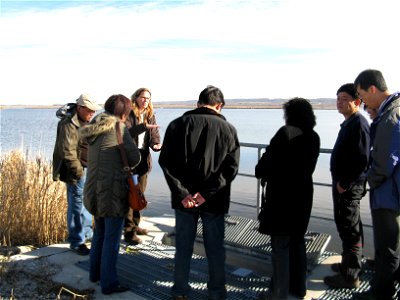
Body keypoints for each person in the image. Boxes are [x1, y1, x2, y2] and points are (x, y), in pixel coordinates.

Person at [159, 85, 240, 300]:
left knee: (183, 248)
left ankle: (179, 291)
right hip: (215, 200)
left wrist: (183, 193)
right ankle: (216, 292)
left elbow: (165, 162)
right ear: (219, 106)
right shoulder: (229, 130)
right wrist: (205, 193)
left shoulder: (177, 125)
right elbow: (230, 169)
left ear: (198, 104)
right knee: (215, 249)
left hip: (184, 202)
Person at [255, 98, 320, 300]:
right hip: (303, 195)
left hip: (282, 199)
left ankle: (278, 294)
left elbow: (263, 169)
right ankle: (298, 289)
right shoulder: (314, 137)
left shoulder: (285, 134)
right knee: (297, 243)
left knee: (280, 248)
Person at [80, 94, 141, 295]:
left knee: (99, 233)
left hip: (94, 190)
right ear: (123, 112)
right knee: (112, 239)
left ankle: (94, 274)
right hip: (113, 193)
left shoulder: (96, 125)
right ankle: (109, 284)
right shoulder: (118, 128)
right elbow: (134, 158)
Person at [352, 70, 400, 300]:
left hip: (388, 196)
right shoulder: (392, 111)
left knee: (387, 248)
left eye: (361, 94)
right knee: (389, 247)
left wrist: (365, 181)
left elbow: (383, 163)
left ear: (372, 89)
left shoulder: (391, 116)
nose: (362, 101)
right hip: (391, 193)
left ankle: (381, 295)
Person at [323, 84, 370, 289]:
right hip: (344, 185)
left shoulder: (358, 123)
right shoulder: (350, 122)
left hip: (348, 187)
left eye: (344, 98)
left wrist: (344, 183)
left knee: (350, 229)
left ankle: (350, 277)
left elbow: (362, 159)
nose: (339, 102)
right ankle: (347, 265)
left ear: (357, 102)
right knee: (345, 226)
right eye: (338, 98)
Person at [53, 94, 101, 255]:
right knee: (76, 206)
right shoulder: (68, 123)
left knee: (86, 204)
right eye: (89, 111)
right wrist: (79, 172)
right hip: (76, 171)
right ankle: (76, 241)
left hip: (89, 169)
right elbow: (66, 151)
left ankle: (86, 234)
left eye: (94, 111)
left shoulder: (86, 120)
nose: (92, 113)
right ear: (80, 108)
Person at [124, 87, 161, 245]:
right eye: (143, 97)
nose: (146, 100)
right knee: (130, 196)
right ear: (136, 98)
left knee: (140, 195)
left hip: (143, 161)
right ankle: (128, 231)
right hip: (130, 160)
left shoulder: (150, 115)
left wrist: (156, 144)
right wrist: (142, 127)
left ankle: (136, 225)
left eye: (148, 98)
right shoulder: (129, 114)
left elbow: (154, 135)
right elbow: (125, 134)